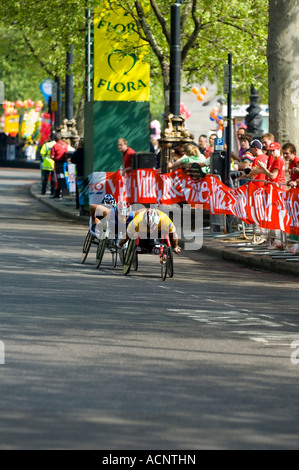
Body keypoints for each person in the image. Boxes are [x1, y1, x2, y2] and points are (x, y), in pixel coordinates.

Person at [50, 133, 69, 199]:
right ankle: (65, 192)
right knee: (64, 178)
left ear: (55, 139)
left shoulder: (55, 146)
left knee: (58, 179)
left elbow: (52, 156)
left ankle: (57, 194)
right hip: (65, 164)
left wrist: (54, 158)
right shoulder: (65, 145)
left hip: (58, 164)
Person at [70, 137, 85, 213]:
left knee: (80, 191)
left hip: (79, 174)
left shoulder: (77, 152)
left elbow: (72, 160)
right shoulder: (88, 152)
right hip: (88, 175)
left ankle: (81, 207)